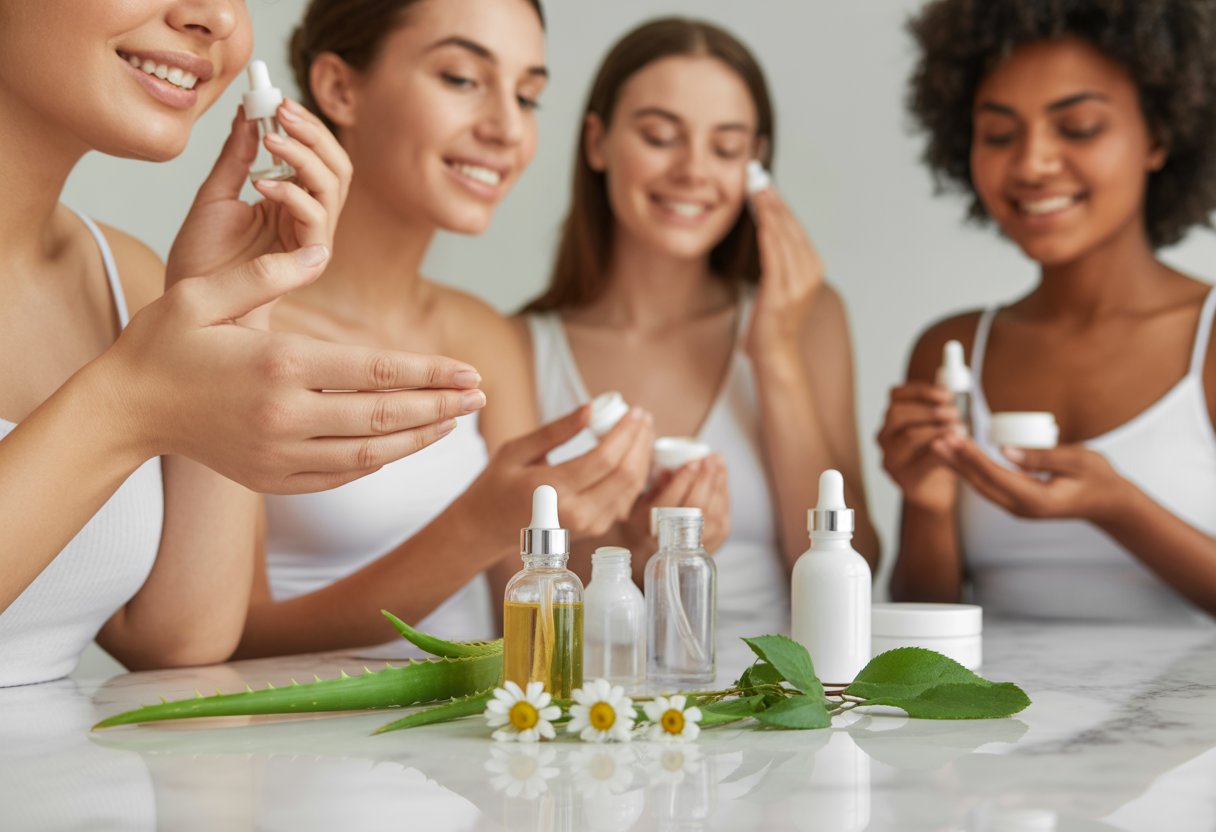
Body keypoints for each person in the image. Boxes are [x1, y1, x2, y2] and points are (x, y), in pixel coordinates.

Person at [0, 0, 481, 686]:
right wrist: (123, 404)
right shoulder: (135, 344)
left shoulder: (123, 280)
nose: (217, 17)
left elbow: (180, 638)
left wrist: (235, 307)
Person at [234, 0, 656, 658]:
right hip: (291, 746)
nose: (508, 129)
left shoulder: (483, 336)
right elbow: (213, 641)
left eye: (528, 96)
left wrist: (629, 545)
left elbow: (530, 620)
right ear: (340, 88)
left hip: (465, 754)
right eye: (461, 79)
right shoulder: (239, 325)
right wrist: (478, 526)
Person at [520, 18, 880, 657]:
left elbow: (857, 568)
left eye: (726, 147)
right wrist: (630, 551)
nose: (692, 171)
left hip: (778, 707)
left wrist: (774, 352)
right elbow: (510, 600)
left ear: (756, 164)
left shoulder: (812, 318)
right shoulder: (519, 347)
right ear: (598, 142)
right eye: (660, 136)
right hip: (606, 705)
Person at [881, 0, 1216, 621]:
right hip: (1005, 717)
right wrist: (927, 504)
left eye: (1080, 127)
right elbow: (925, 626)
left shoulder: (1210, 340)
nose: (1032, 164)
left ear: (1161, 134)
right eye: (1000, 135)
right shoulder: (952, 349)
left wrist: (1117, 506)